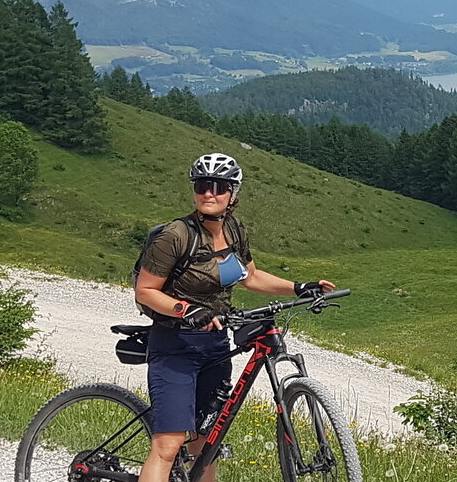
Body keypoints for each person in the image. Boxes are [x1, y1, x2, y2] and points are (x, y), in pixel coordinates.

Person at [132, 152, 336, 482]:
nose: (209, 193)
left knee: (206, 444)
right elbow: (146, 291)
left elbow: (250, 277)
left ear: (233, 193)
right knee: (168, 445)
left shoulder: (234, 230)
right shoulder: (175, 236)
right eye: (202, 185)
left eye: (219, 186)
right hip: (175, 346)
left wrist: (299, 287)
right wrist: (189, 310)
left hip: (215, 346)